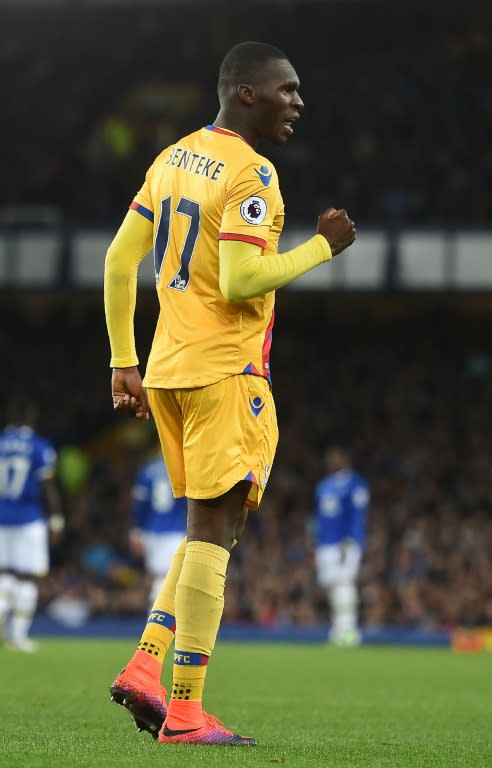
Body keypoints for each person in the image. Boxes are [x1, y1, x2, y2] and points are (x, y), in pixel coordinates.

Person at [104, 40, 356, 746]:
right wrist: (321, 248)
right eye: (288, 90)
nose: (298, 102)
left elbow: (120, 259)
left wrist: (124, 358)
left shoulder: (174, 156)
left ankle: (147, 667)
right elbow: (244, 282)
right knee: (216, 534)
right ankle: (185, 713)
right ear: (247, 92)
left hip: (168, 371)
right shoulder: (254, 174)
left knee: (204, 531)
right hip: (225, 374)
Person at [0, 394, 63, 652]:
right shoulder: (40, 447)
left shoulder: (1, 443)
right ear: (31, 418)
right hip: (28, 519)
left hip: (2, 517)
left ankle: (4, 616)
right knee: (28, 578)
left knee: (4, 574)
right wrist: (57, 519)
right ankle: (18, 636)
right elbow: (47, 486)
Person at [312, 445, 370, 647]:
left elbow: (356, 514)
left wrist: (350, 539)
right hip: (325, 544)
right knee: (330, 585)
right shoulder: (323, 486)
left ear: (345, 460)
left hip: (344, 543)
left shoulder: (355, 484)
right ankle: (339, 627)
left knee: (344, 582)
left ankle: (348, 631)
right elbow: (319, 519)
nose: (332, 460)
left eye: (336, 457)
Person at [130, 443, 187, 609]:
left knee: (159, 578)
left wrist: (136, 532)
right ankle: (158, 622)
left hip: (151, 532)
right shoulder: (182, 470)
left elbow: (139, 506)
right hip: (176, 531)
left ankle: (157, 620)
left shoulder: (147, 471)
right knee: (169, 580)